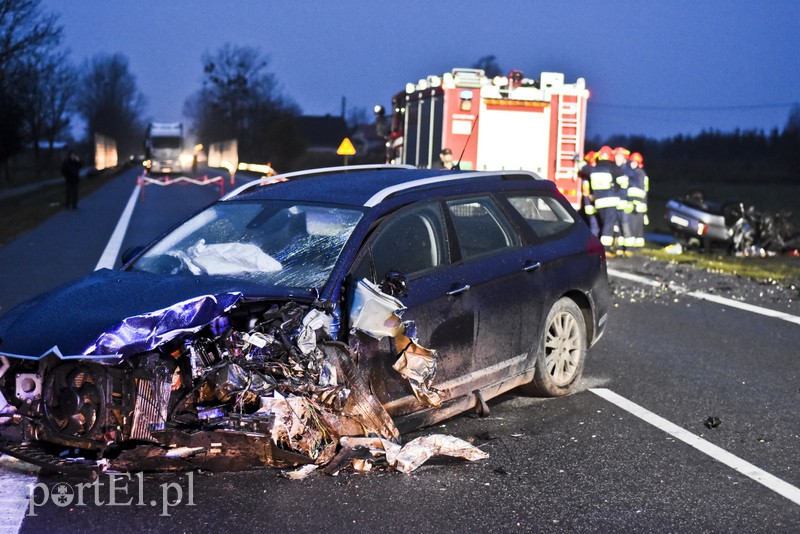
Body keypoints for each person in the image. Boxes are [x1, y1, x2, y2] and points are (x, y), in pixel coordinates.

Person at [586, 146, 624, 253]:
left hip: (599, 202)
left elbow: (584, 168)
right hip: (611, 201)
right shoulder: (613, 167)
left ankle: (603, 248)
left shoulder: (594, 168)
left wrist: (578, 160)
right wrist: (617, 187)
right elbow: (622, 182)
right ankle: (605, 250)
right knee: (609, 225)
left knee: (604, 224)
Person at [626, 152, 649, 248]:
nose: (632, 164)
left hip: (637, 203)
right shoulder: (642, 173)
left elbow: (638, 190)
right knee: (638, 227)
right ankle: (638, 245)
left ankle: (635, 247)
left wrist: (635, 203)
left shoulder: (638, 173)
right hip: (641, 203)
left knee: (634, 226)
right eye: (632, 162)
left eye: (634, 162)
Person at [613, 146, 633, 254]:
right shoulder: (617, 168)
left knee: (625, 224)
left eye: (619, 157)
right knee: (618, 225)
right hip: (617, 201)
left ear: (624, 158)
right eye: (616, 157)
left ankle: (629, 249)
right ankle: (620, 248)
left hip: (624, 202)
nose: (616, 159)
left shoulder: (627, 169)